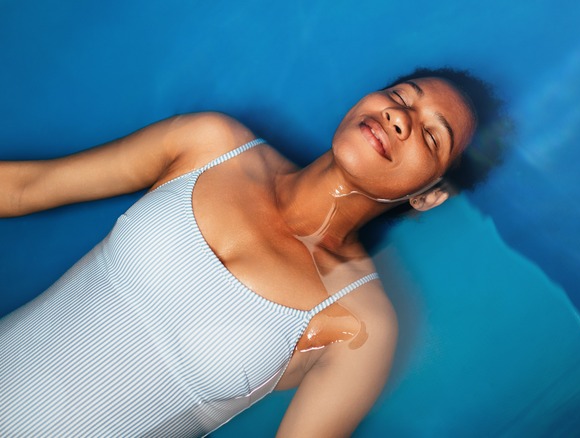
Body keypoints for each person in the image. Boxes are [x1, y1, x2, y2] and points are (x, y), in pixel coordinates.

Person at [0, 68, 498, 436]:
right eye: (400, 96)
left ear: (430, 195)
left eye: (431, 135)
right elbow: (24, 188)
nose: (399, 118)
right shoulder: (209, 143)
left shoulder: (359, 324)